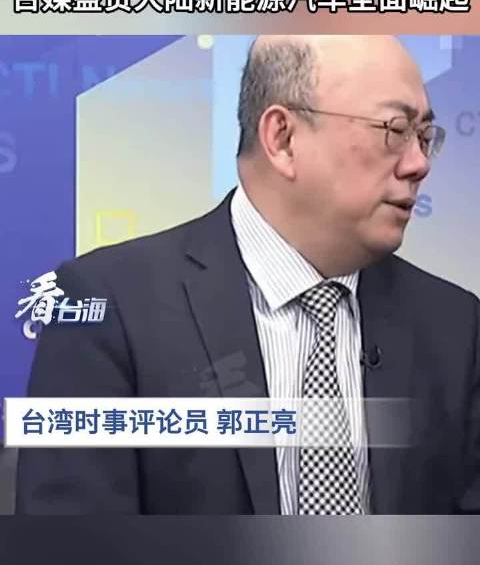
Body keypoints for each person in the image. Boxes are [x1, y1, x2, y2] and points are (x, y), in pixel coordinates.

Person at [16, 35, 480, 514]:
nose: (419, 164)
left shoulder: (455, 325)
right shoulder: (109, 307)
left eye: (425, 136)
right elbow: (73, 549)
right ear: (283, 139)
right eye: (394, 130)